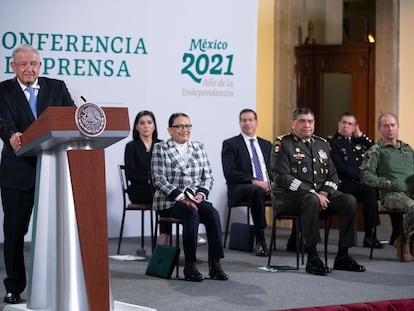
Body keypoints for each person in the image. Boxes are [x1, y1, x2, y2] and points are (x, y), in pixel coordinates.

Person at [0, 44, 75, 304]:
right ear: (13, 67)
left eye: (34, 64)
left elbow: (72, 116)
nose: (29, 69)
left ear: (40, 65)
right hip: (18, 172)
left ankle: (57, 283)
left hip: (53, 169)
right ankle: (14, 286)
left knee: (57, 231)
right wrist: (11, 135)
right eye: (23, 64)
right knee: (14, 233)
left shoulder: (56, 87)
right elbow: (3, 121)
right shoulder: (3, 90)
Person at [270, 107, 366, 276]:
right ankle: (312, 256)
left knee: (348, 201)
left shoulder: (321, 144)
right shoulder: (283, 144)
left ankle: (343, 256)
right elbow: (281, 177)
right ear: (293, 124)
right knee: (311, 200)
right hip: (290, 198)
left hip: (319, 196)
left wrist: (325, 193)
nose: (306, 125)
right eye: (302, 121)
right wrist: (312, 193)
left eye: (310, 121)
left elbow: (333, 175)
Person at [151, 112, 228, 281]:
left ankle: (215, 264)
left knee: (212, 214)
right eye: (179, 126)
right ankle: (190, 265)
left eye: (187, 126)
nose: (184, 129)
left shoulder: (198, 147)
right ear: (170, 130)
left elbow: (207, 177)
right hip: (169, 199)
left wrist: (201, 194)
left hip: (194, 198)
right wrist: (181, 197)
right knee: (191, 214)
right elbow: (159, 179)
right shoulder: (160, 148)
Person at [360, 112, 414, 261]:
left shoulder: (407, 149)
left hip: (411, 191)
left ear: (398, 127)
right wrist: (387, 183)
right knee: (413, 207)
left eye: (392, 125)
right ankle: (403, 241)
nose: (390, 128)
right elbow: (366, 176)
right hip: (391, 195)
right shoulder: (376, 150)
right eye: (386, 126)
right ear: (379, 129)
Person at [221, 108, 271, 257]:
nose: (247, 123)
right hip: (240, 188)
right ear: (239, 123)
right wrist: (255, 182)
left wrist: (271, 183)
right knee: (258, 191)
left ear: (256, 122)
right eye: (244, 120)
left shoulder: (266, 144)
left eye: (250, 120)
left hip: (267, 186)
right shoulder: (230, 144)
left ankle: (295, 239)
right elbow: (230, 173)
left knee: (293, 191)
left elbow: (274, 169)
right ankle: (260, 238)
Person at [329, 112, 383, 249]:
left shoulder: (357, 142)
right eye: (344, 123)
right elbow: (340, 168)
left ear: (355, 127)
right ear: (339, 124)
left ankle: (373, 235)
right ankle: (370, 236)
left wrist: (360, 136)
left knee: (373, 190)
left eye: (350, 124)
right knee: (369, 190)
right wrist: (365, 176)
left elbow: (377, 152)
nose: (346, 126)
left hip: (358, 184)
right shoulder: (332, 142)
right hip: (342, 183)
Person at [124, 111, 169, 250]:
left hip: (158, 189)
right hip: (139, 190)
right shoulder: (131, 146)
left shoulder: (162, 145)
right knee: (165, 198)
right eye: (142, 123)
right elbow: (131, 174)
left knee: (169, 197)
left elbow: (168, 169)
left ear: (154, 126)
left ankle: (163, 240)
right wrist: (150, 179)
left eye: (149, 123)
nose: (146, 126)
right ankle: (162, 243)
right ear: (136, 127)